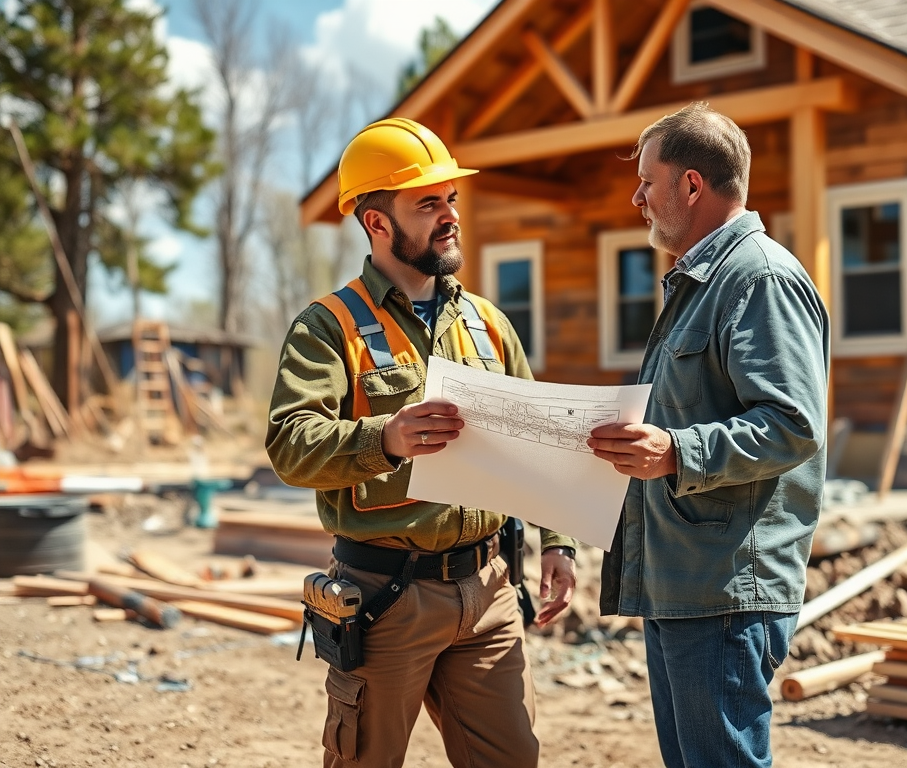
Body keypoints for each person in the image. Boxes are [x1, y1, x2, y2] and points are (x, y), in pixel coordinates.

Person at [266, 117, 578, 768]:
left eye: (452, 199)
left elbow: (537, 441)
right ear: (377, 224)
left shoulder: (489, 324)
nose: (450, 216)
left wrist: (558, 542)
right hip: (386, 598)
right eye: (428, 202)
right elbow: (290, 444)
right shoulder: (329, 327)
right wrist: (387, 436)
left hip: (490, 593)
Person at [588, 102, 830, 768]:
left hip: (725, 590)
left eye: (647, 179)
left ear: (690, 186)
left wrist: (673, 451)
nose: (636, 196)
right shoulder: (699, 283)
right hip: (683, 583)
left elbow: (792, 424)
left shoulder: (760, 279)